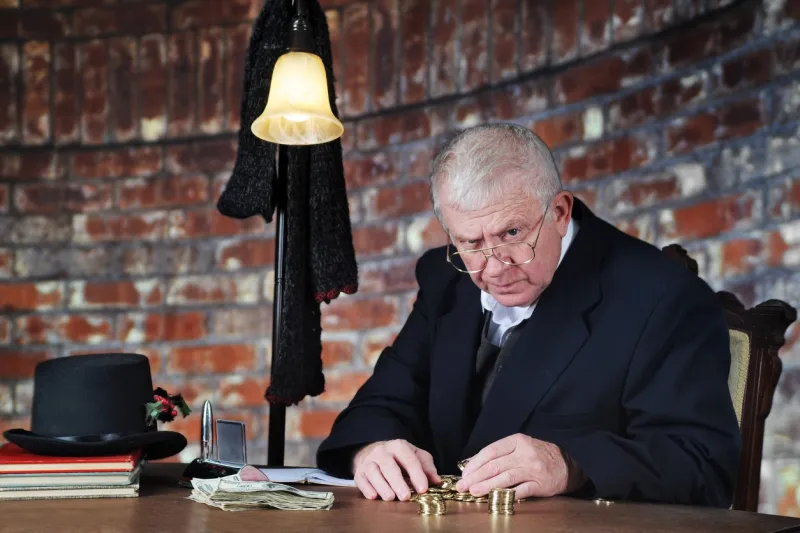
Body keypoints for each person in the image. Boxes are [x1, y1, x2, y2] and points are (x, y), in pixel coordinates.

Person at [316, 123, 741, 508]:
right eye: (470, 242)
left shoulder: (661, 296)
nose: (494, 266)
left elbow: (702, 465)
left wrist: (570, 464)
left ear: (559, 212)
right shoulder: (447, 279)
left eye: (512, 234)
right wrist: (371, 450)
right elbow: (380, 403)